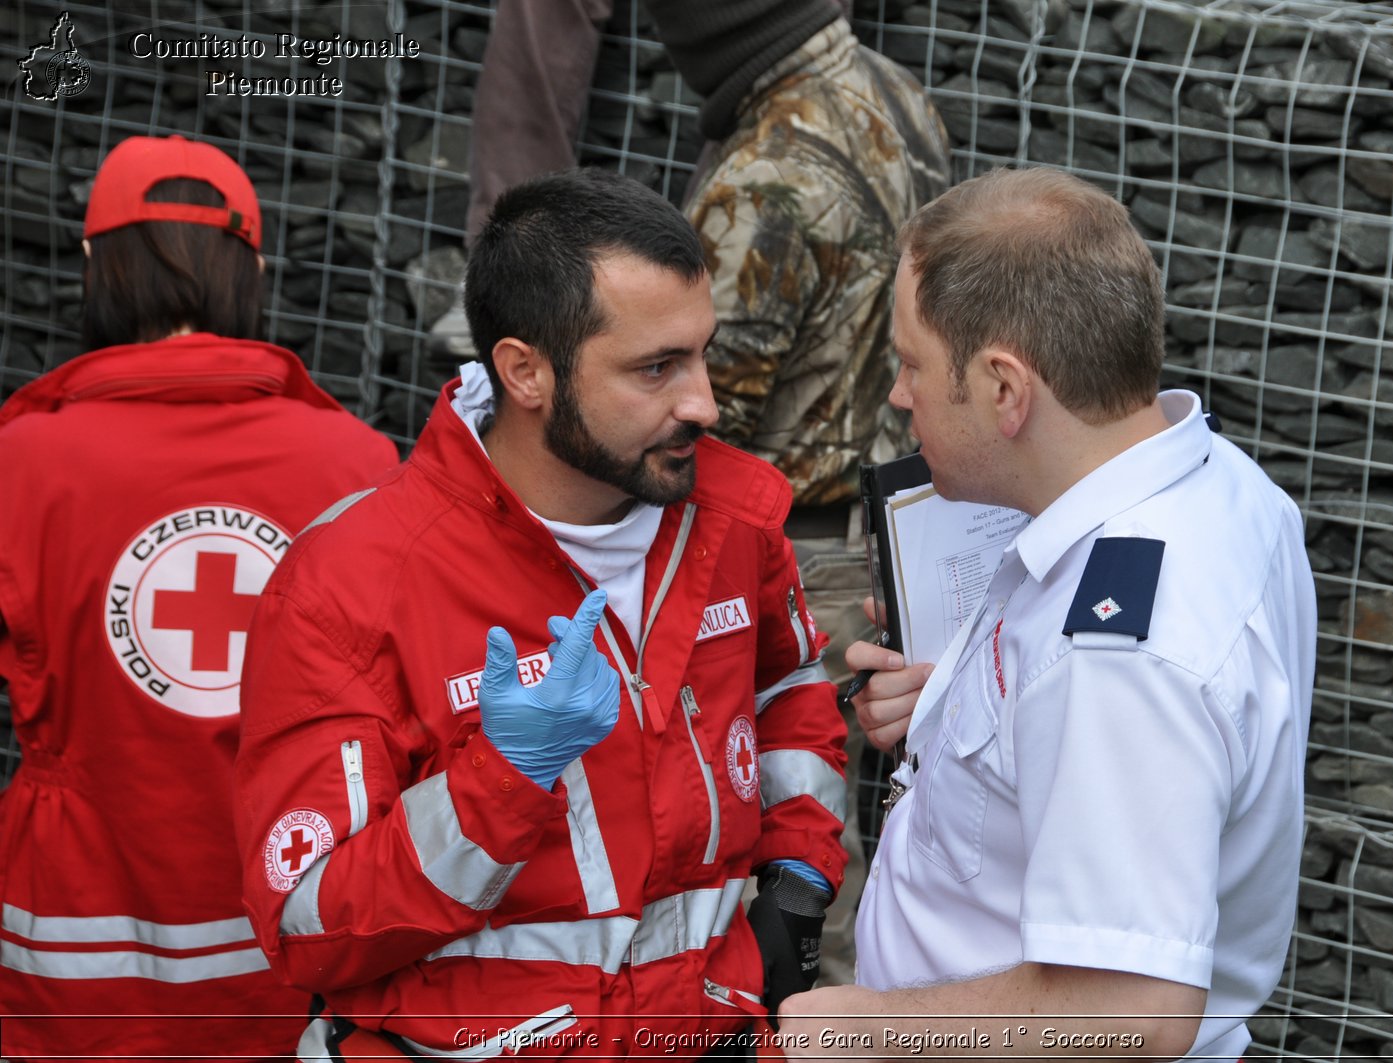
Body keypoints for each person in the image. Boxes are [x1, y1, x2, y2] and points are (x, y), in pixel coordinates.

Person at [234, 168, 848, 1058]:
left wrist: (799, 877)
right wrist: (504, 783)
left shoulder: (734, 522)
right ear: (525, 371)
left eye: (702, 352)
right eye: (656, 367)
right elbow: (304, 926)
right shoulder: (352, 583)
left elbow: (787, 689)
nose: (704, 403)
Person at [777, 167, 1317, 1060]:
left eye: (911, 364)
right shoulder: (1218, 484)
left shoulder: (1115, 659)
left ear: (1004, 389)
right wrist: (952, 699)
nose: (899, 395)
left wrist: (871, 1024)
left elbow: (1132, 1009)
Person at [0, 134, 399, 1062]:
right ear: (252, 271)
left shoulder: (20, 462)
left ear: (97, 264)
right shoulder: (359, 464)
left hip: (72, 959)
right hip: (292, 947)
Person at [650, 0, 950, 507]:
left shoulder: (758, 183)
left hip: (787, 546)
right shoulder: (895, 88)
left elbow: (698, 421)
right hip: (891, 522)